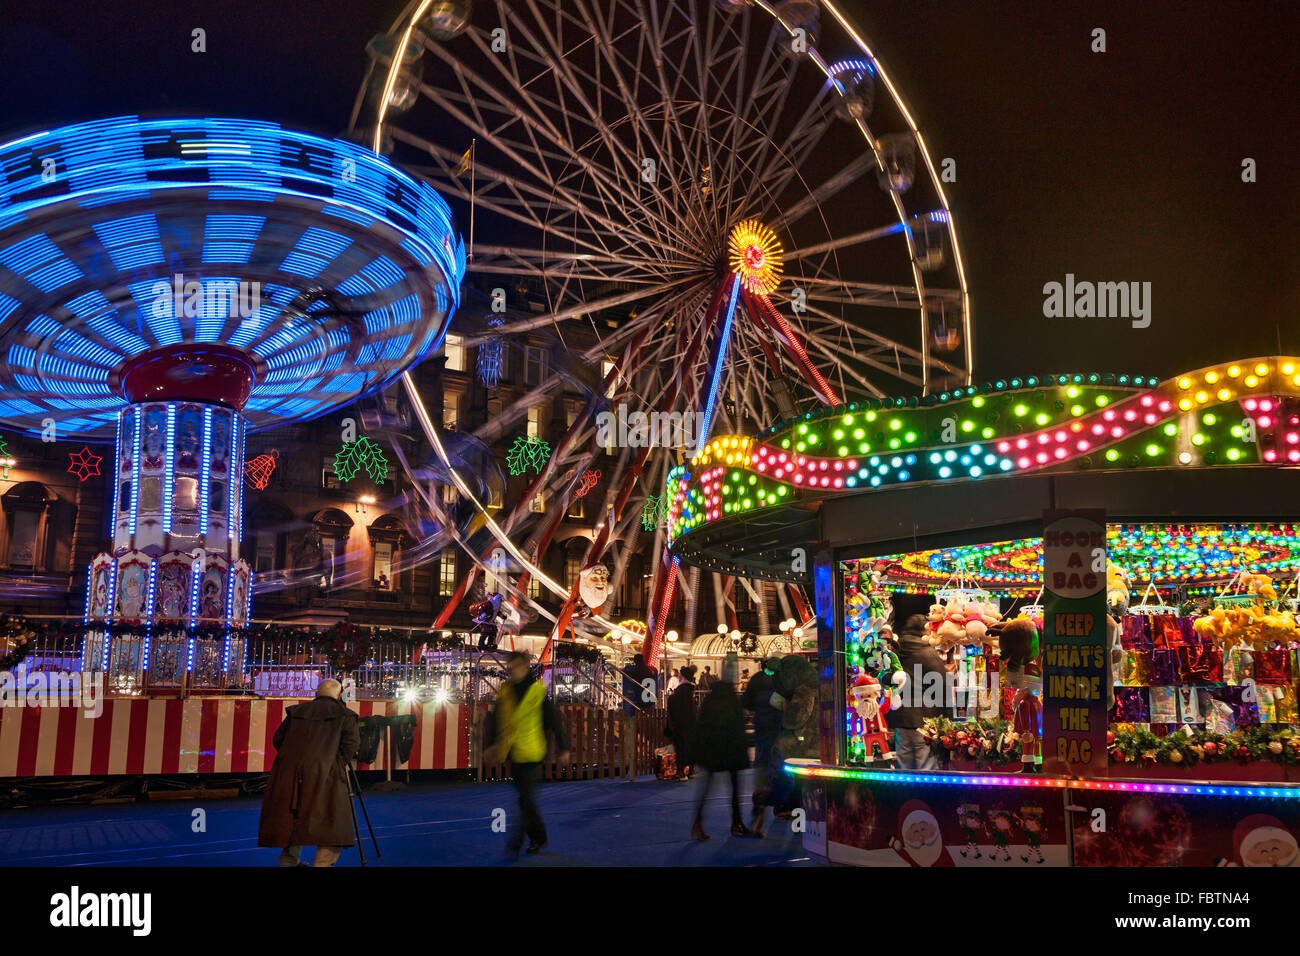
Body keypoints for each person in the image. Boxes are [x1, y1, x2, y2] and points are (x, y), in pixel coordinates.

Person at [258, 679, 360, 867]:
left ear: (316, 694)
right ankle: (322, 864)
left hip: (289, 772)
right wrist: (334, 763)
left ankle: (288, 862)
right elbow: (350, 747)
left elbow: (278, 739)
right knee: (332, 820)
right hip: (327, 773)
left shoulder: (297, 712)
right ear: (339, 696)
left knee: (292, 817)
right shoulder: (346, 715)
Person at [484, 651, 570, 858]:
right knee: (525, 800)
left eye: (513, 668)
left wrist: (563, 747)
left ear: (524, 668)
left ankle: (517, 842)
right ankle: (538, 836)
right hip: (513, 752)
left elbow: (553, 719)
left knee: (526, 798)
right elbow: (495, 719)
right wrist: (491, 744)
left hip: (533, 752)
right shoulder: (506, 691)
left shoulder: (537, 692)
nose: (510, 671)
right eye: (509, 668)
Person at [688, 656, 753, 840]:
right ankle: (736, 822)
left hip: (712, 750)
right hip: (730, 749)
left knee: (707, 786)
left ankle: (698, 822)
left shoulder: (711, 698)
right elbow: (737, 726)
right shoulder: (731, 698)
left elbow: (703, 724)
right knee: (735, 786)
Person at [893, 613, 950, 770]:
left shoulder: (895, 651)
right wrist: (947, 717)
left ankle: (906, 795)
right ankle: (925, 795)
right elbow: (943, 685)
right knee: (926, 769)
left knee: (904, 770)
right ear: (924, 631)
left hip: (901, 719)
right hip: (924, 721)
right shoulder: (927, 653)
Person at [741, 657, 782, 829]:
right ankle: (781, 805)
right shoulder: (782, 678)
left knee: (761, 766)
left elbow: (746, 702)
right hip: (780, 729)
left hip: (762, 728)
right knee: (781, 767)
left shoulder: (757, 679)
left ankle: (759, 807)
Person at [665, 664, 698, 780]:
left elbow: (674, 708)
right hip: (691, 724)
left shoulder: (680, 691)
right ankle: (691, 770)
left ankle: (681, 772)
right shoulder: (691, 690)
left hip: (680, 724)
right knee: (689, 747)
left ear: (682, 676)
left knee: (680, 748)